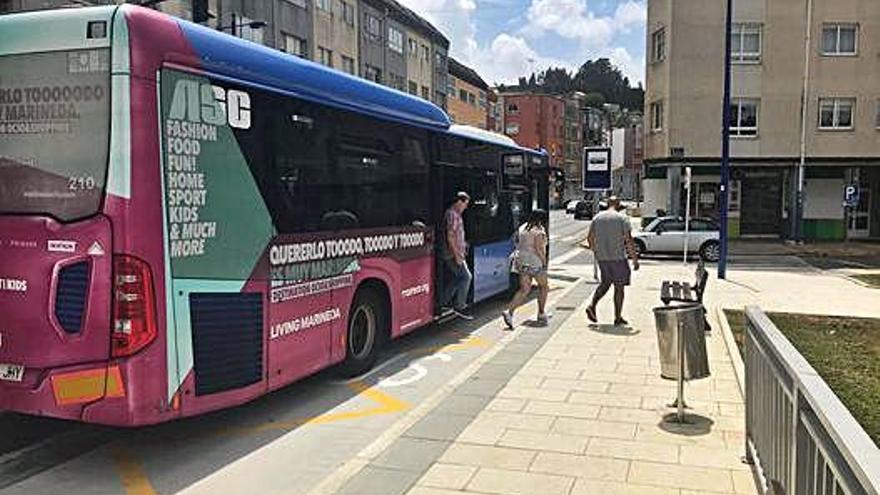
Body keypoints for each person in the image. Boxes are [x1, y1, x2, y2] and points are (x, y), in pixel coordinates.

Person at [585, 196, 639, 326]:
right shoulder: (622, 218)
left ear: (607, 203)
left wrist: (596, 252)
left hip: (603, 258)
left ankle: (592, 305)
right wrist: (635, 259)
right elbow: (628, 240)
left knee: (605, 283)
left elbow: (589, 238)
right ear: (618, 204)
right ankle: (617, 317)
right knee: (619, 288)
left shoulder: (597, 218)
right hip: (618, 258)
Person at [502, 209, 549, 329]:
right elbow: (539, 249)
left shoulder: (523, 228)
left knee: (524, 290)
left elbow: (517, 242)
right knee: (544, 287)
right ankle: (541, 313)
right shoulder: (539, 231)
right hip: (535, 263)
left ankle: (509, 312)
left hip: (522, 262)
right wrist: (544, 262)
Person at [442, 191, 473, 320]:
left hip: (455, 253)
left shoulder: (454, 214)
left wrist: (463, 245)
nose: (466, 207)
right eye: (465, 204)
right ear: (459, 202)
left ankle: (443, 301)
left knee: (458, 277)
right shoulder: (453, 215)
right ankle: (460, 306)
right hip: (453, 254)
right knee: (466, 277)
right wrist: (457, 255)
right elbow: (450, 237)